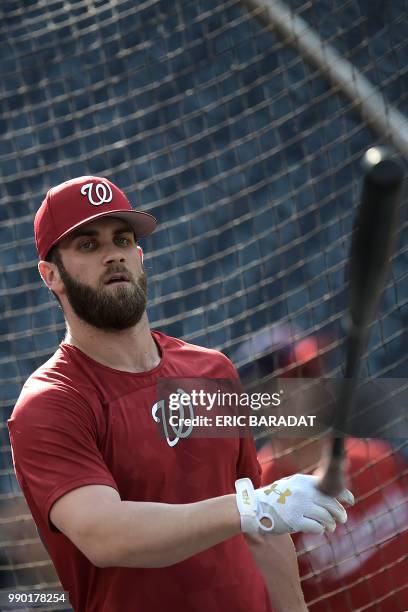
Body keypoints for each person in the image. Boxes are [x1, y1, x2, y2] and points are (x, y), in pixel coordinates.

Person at [8, 176, 353, 612]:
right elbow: (105, 535)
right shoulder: (51, 402)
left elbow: (264, 531)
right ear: (50, 274)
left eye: (123, 239)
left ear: (139, 255)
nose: (113, 253)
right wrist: (252, 507)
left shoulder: (209, 369)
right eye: (89, 246)